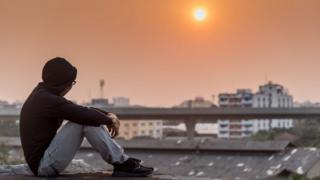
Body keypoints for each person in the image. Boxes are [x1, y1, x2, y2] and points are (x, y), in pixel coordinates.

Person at [19, 57, 153, 177]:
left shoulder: (43, 95)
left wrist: (108, 115)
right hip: (43, 166)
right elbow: (82, 114)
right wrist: (110, 120)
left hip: (43, 160)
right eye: (72, 83)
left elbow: (78, 110)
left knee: (84, 119)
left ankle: (122, 162)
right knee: (82, 122)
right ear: (64, 83)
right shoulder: (46, 99)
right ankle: (122, 163)